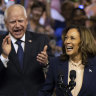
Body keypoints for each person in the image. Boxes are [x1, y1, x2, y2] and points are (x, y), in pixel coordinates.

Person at [0, 4, 51, 96]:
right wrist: (4, 56)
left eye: (20, 21)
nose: (17, 25)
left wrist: (46, 63)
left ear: (26, 21)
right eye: (12, 22)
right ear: (6, 23)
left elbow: (53, 72)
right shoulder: (1, 42)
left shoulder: (41, 40)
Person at [38, 25, 96, 96]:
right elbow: (45, 92)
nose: (67, 41)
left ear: (83, 41)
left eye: (72, 38)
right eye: (66, 38)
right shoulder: (56, 63)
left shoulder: (94, 63)